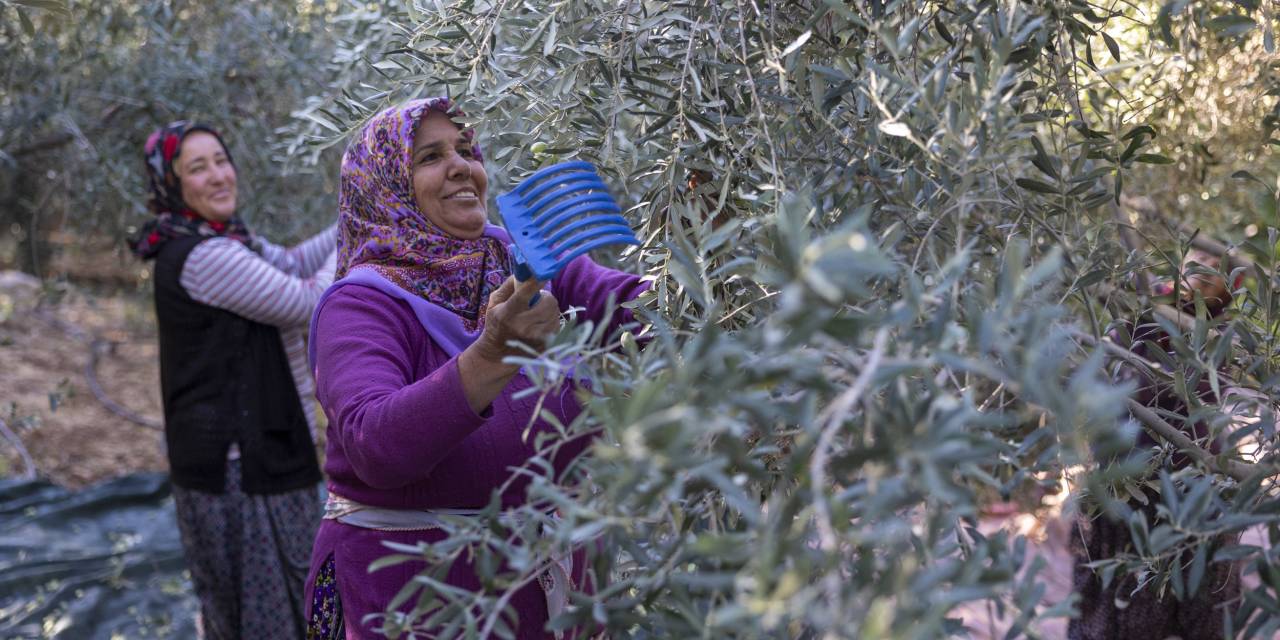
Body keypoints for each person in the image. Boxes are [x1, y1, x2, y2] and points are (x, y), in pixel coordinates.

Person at [302, 97, 648, 639]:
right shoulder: (359, 305)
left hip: (551, 596)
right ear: (385, 185)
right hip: (413, 602)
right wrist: (494, 353)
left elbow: (639, 312)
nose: (462, 166)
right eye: (430, 156)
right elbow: (375, 445)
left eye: (467, 150)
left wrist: (720, 275)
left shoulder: (523, 260)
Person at [130, 121, 336, 640]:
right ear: (172, 184)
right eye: (198, 168)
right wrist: (369, 225)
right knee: (271, 613)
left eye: (221, 160)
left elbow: (293, 263)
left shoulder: (220, 238)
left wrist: (358, 211)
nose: (219, 175)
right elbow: (309, 301)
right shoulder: (205, 256)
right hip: (240, 469)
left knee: (277, 606)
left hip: (249, 454)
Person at [1069, 249, 1242, 639]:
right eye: (1197, 260)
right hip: (1124, 478)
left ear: (1228, 286)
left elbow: (1191, 393)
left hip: (1191, 484)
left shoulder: (1221, 335)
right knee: (1113, 596)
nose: (1201, 270)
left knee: (1203, 600)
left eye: (1213, 269)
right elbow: (1104, 377)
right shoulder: (1142, 313)